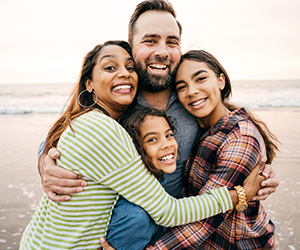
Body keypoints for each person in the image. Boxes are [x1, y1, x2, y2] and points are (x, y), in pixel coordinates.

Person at [19, 40, 259, 250]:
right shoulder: (103, 129)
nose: (124, 73)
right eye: (110, 67)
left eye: (129, 67)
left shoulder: (95, 120)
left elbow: (222, 123)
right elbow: (169, 211)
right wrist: (240, 194)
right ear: (89, 83)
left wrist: (252, 145)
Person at [145, 50, 279, 249]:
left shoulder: (241, 138)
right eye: (182, 87)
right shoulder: (195, 128)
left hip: (240, 244)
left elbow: (205, 219)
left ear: (221, 81)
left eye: (200, 79)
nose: (192, 91)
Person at [105, 106, 266, 250]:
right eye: (152, 139)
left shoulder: (158, 190)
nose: (167, 144)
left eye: (169, 135)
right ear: (133, 149)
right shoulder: (135, 218)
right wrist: (242, 194)